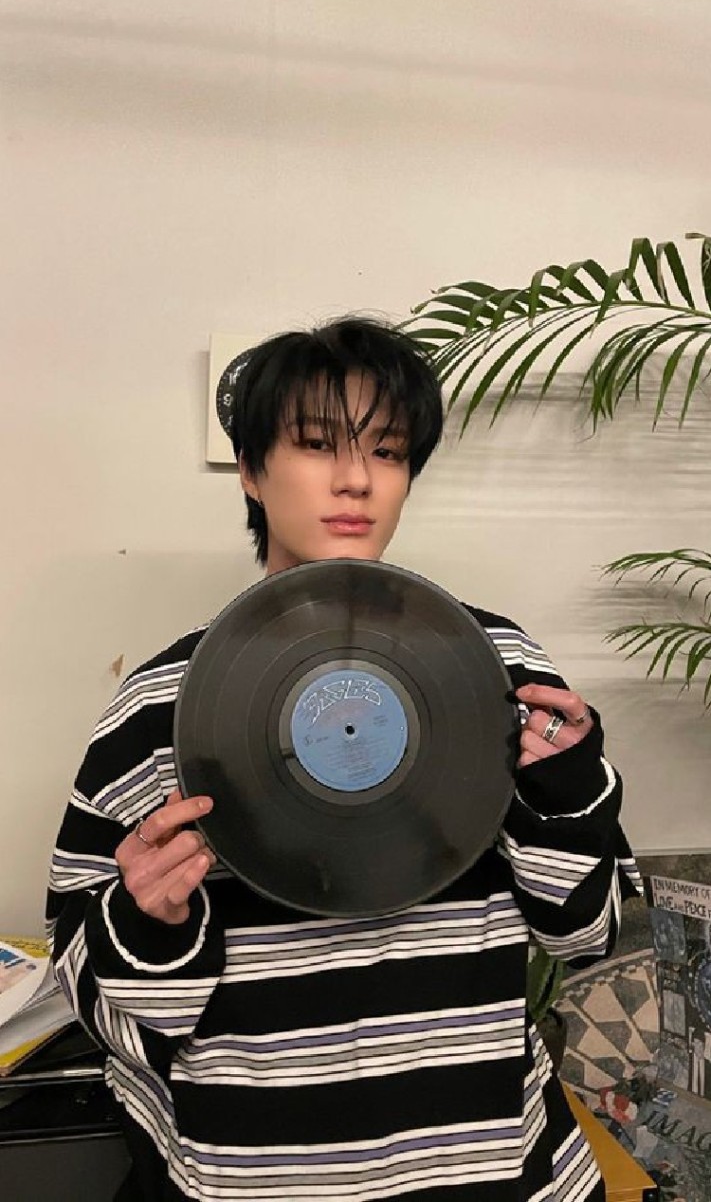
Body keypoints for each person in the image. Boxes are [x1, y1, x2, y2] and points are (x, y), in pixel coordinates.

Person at [47, 317, 642, 1201]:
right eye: (317, 444)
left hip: (492, 1173)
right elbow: (97, 1004)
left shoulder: (497, 667)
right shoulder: (158, 704)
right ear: (250, 471)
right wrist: (147, 924)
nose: (357, 478)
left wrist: (568, 797)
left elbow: (586, 935)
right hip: (253, 1177)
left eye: (388, 452)